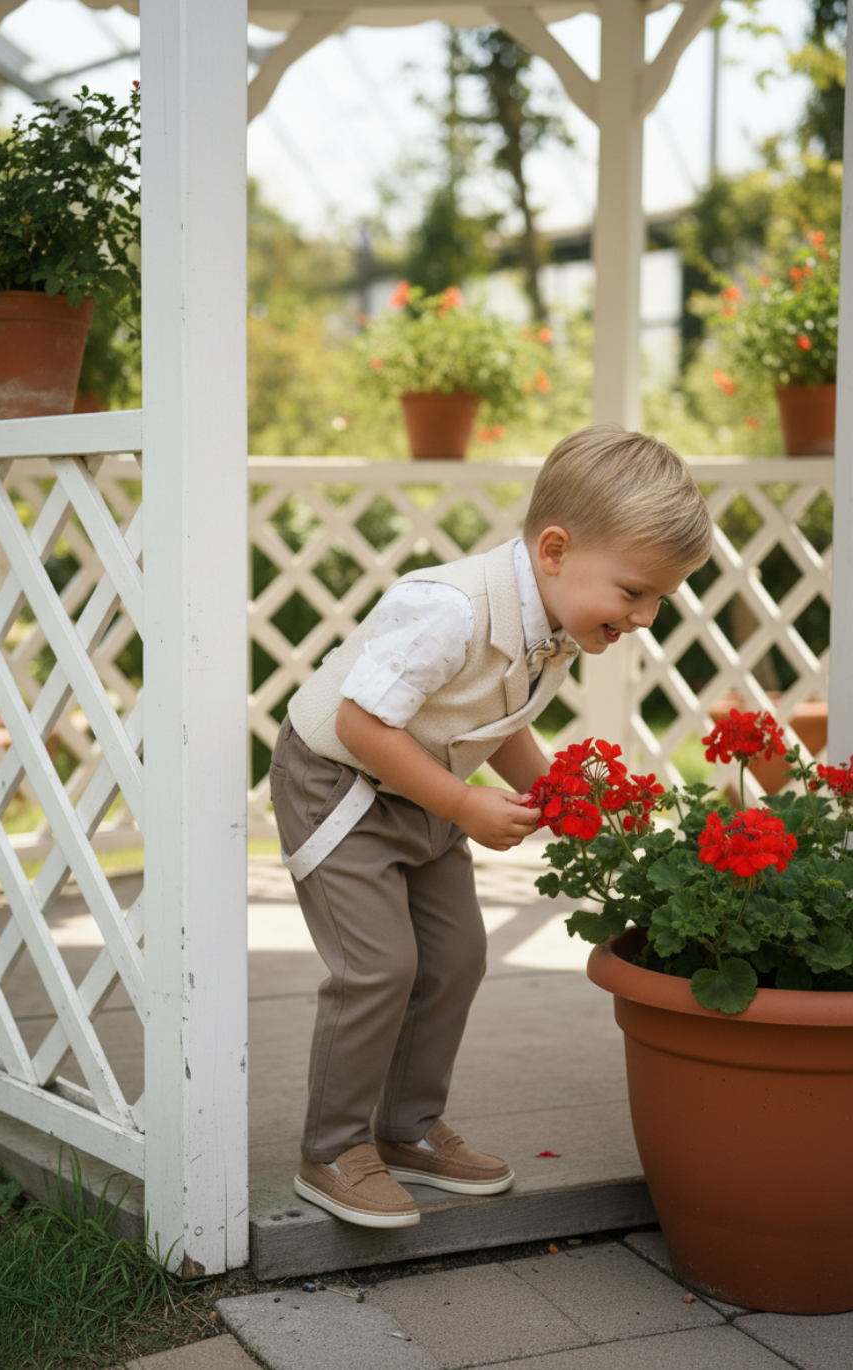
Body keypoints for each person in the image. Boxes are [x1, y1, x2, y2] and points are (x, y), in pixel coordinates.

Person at [269, 424, 714, 1229]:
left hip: (426, 784)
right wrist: (467, 807)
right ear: (554, 550)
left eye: (660, 599)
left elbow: (497, 718)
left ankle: (406, 1130)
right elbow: (363, 723)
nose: (645, 616)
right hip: (339, 781)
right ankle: (331, 1150)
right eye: (635, 591)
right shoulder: (444, 608)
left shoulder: (554, 621)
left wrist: (553, 795)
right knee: (379, 967)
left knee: (457, 956)